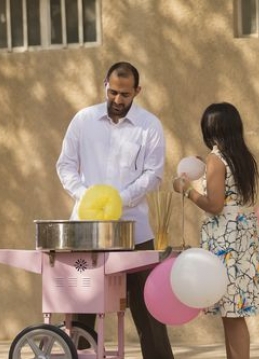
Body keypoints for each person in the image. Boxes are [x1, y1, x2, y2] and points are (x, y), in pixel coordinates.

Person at [56, 61, 174, 359]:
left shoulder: (150, 125)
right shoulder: (82, 120)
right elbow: (65, 165)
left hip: (134, 229)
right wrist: (87, 198)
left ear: (137, 91)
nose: (118, 100)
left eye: (125, 95)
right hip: (86, 229)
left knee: (149, 309)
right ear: (104, 85)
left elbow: (153, 174)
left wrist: (119, 200)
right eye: (113, 92)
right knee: (82, 307)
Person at [173, 102, 259, 359]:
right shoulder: (242, 157)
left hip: (226, 240)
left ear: (210, 130)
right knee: (233, 312)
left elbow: (214, 205)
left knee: (232, 313)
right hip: (244, 235)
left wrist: (188, 190)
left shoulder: (217, 159)